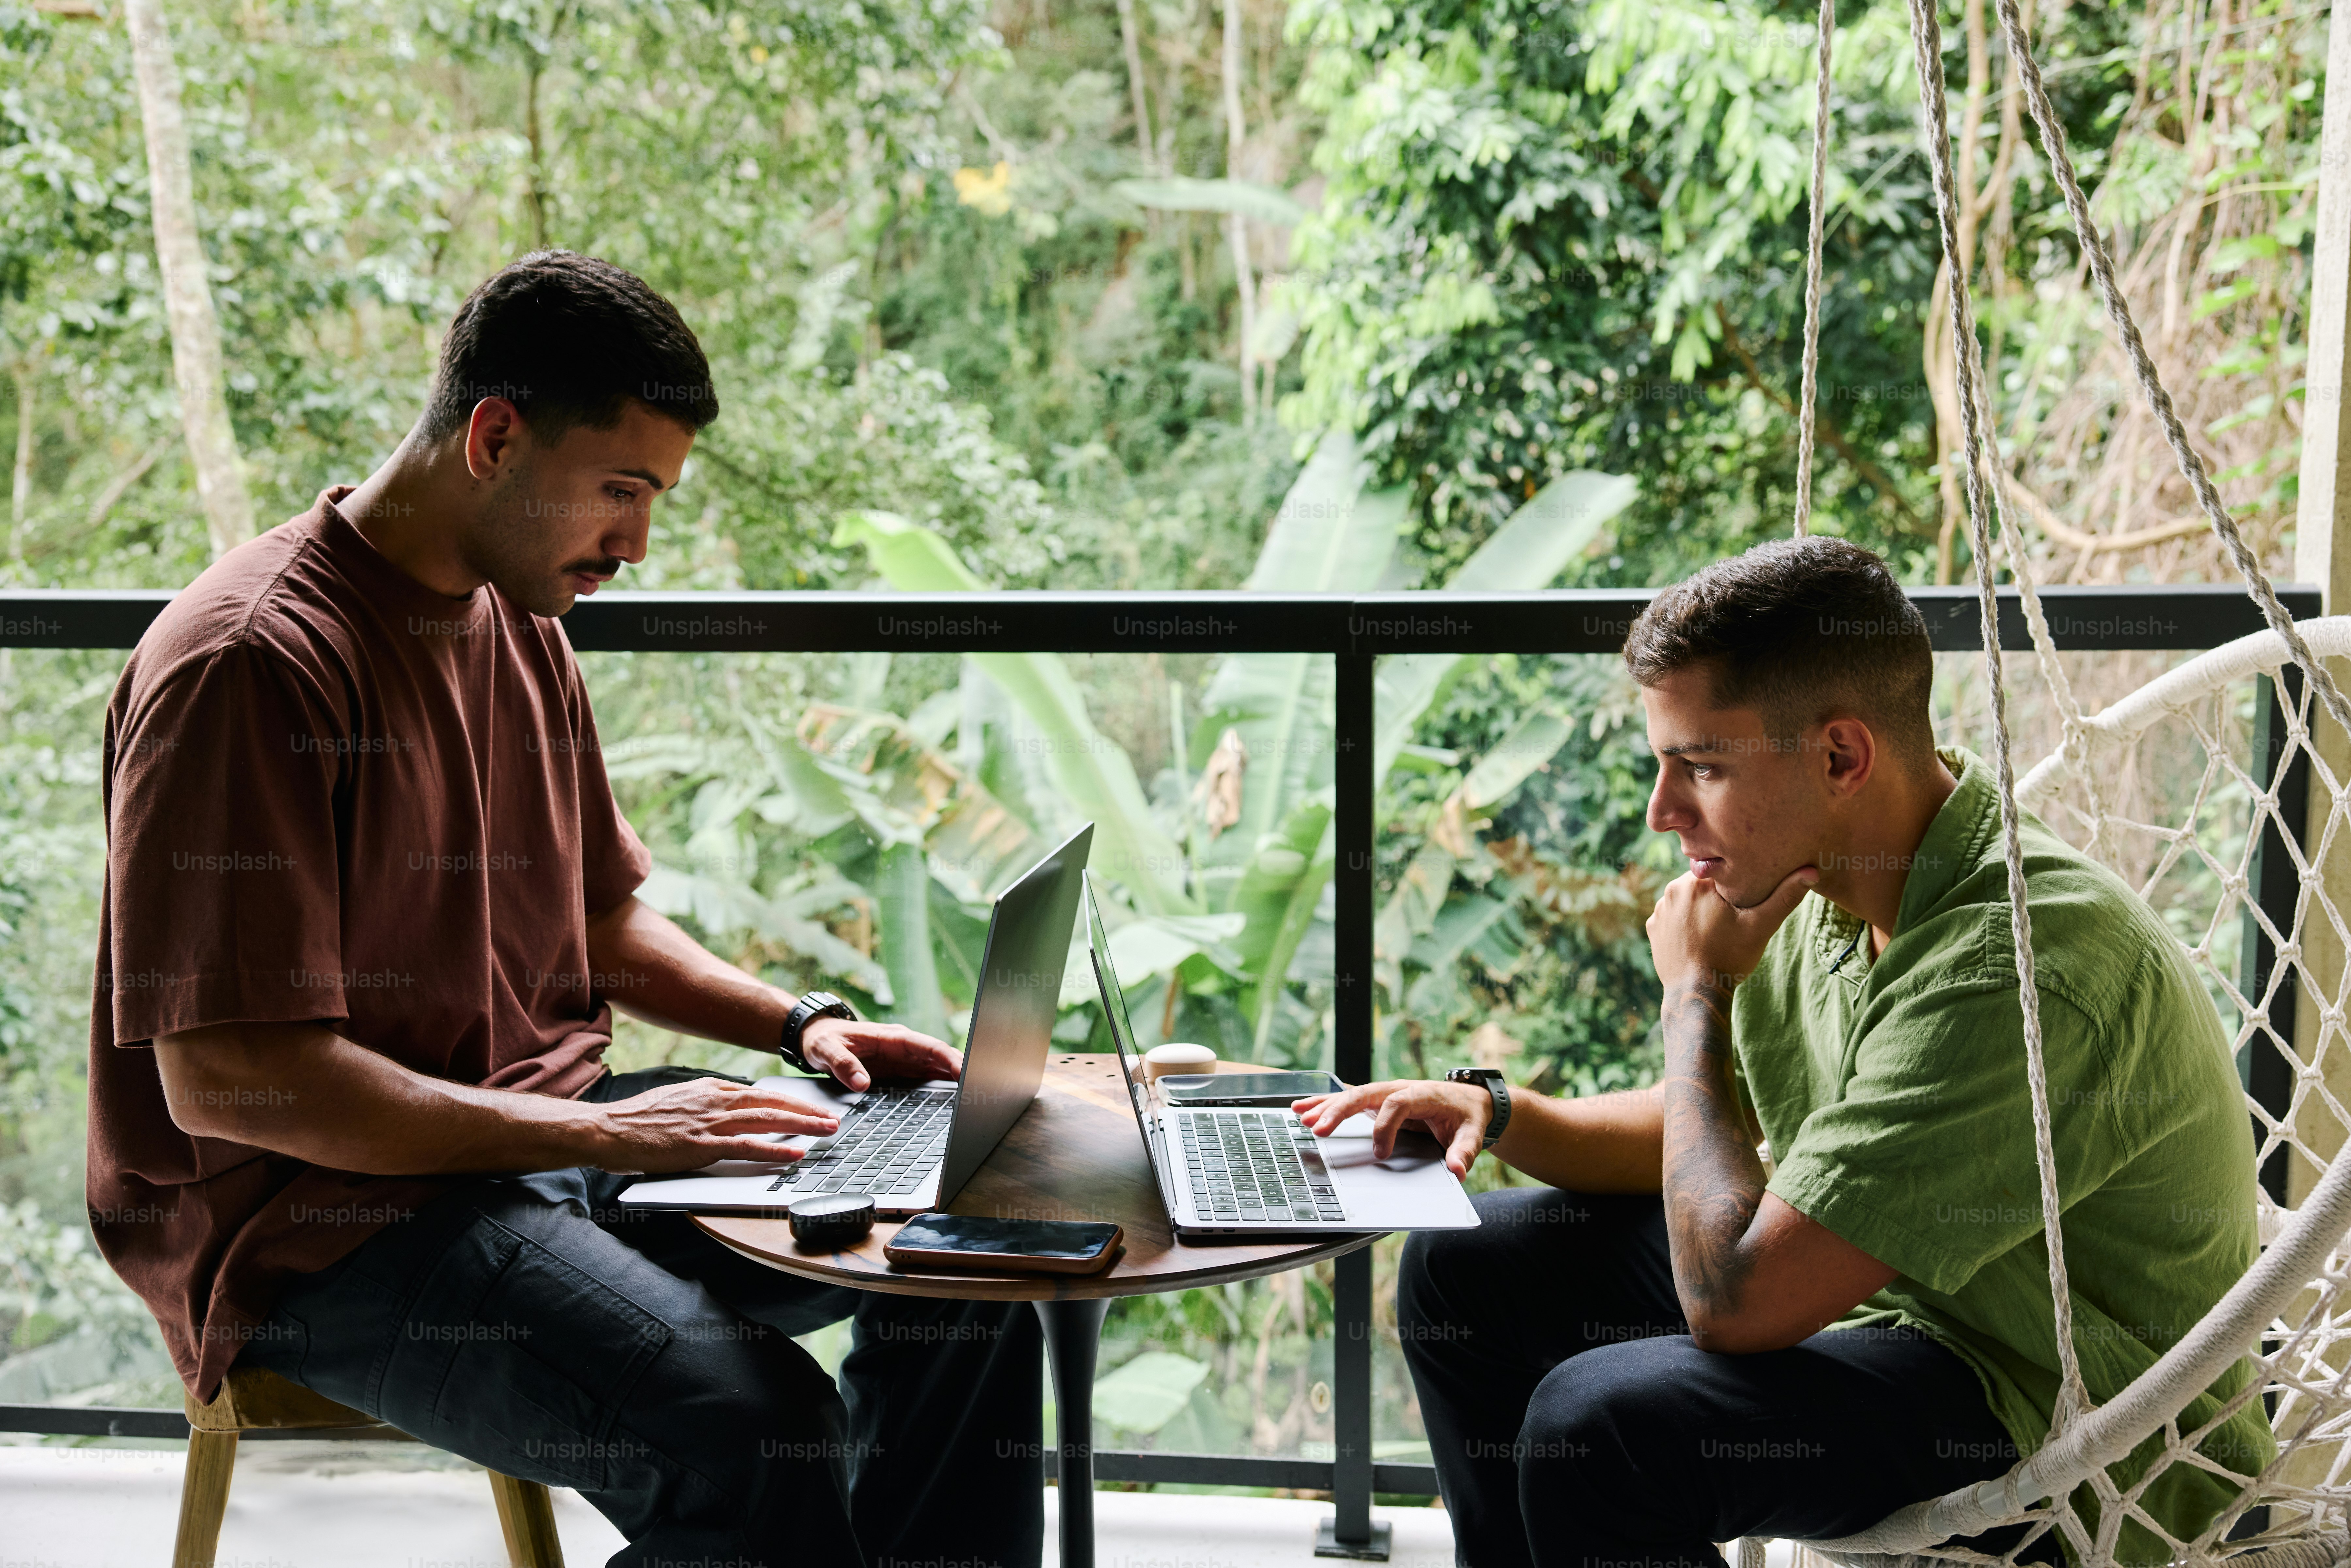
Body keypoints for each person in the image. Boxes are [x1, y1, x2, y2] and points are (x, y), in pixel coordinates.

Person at [87, 250, 1042, 1568]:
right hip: (325, 1231)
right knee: (755, 1432)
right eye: (622, 492)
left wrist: (802, 1022)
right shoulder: (250, 664)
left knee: (966, 1278)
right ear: (494, 437)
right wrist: (608, 1136)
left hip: (547, 1143)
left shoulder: (518, 615)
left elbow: (601, 920)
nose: (638, 544)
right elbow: (236, 1085)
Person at [1295, 536, 2274, 1568]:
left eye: (1702, 769)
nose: (1662, 813)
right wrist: (1500, 1114)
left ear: (1843, 758)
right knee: (1464, 1264)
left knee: (1600, 1429)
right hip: (1897, 1304)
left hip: (2077, 1421)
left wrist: (1696, 993)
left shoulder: (2018, 966)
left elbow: (1735, 1300)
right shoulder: (1831, 882)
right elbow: (1725, 1127)